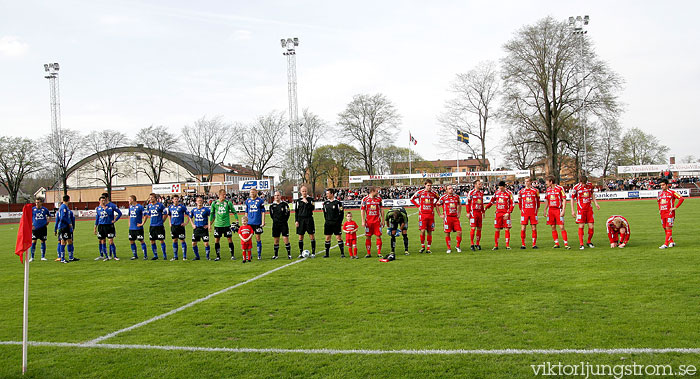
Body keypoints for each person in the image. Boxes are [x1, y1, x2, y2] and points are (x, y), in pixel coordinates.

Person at [570, 175, 600, 250]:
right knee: (581, 226)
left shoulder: (589, 185)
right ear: (579, 182)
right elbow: (572, 199)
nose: (583, 185)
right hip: (581, 210)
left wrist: (595, 203)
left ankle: (589, 241)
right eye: (582, 183)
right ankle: (581, 244)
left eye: (584, 183)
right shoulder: (576, 187)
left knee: (591, 226)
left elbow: (592, 194)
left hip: (589, 209)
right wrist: (573, 210)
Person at [410, 179, 439, 253]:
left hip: (431, 215)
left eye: (430, 185)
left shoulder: (434, 193)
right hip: (422, 215)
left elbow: (439, 199)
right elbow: (412, 199)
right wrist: (418, 206)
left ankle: (428, 248)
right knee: (422, 231)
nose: (429, 187)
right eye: (428, 185)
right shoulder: (420, 192)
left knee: (429, 231)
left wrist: (434, 205)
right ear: (425, 185)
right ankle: (423, 246)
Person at [210, 189, 239, 261]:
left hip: (226, 225)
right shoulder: (214, 203)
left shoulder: (228, 203)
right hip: (218, 225)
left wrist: (237, 220)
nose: (225, 196)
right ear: (219, 195)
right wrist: (209, 224)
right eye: (223, 194)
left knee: (229, 239)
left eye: (225, 194)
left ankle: (232, 255)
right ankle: (218, 256)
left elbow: (234, 212)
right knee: (217, 240)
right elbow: (212, 214)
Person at [485, 181, 514, 250]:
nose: (500, 189)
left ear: (504, 187)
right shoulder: (496, 193)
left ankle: (507, 245)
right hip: (498, 214)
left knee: (507, 229)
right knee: (497, 229)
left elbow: (512, 204)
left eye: (501, 188)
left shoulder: (509, 193)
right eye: (499, 188)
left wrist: (508, 213)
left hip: (505, 214)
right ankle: (496, 245)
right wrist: (486, 207)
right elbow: (492, 201)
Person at [544, 176, 570, 249]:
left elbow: (564, 199)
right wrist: (545, 209)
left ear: (551, 182)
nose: (546, 183)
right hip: (551, 210)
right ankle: (556, 243)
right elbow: (547, 200)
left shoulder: (560, 188)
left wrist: (563, 210)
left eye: (547, 181)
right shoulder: (548, 190)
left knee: (561, 226)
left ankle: (566, 244)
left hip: (558, 210)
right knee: (553, 226)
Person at [657, 178, 685, 249]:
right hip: (662, 213)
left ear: (667, 185)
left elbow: (681, 199)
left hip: (669, 213)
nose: (662, 186)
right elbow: (658, 202)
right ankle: (671, 242)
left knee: (668, 227)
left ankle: (665, 244)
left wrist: (675, 207)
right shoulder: (660, 193)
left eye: (663, 185)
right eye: (661, 185)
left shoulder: (672, 192)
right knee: (664, 228)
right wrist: (659, 209)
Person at [437, 185, 462, 254]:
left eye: (452, 188)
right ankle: (448, 248)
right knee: (447, 233)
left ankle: (458, 246)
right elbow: (437, 205)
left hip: (455, 218)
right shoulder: (443, 198)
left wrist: (459, 213)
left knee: (459, 232)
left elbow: (460, 204)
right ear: (446, 190)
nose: (451, 190)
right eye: (449, 189)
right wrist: (440, 215)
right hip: (447, 218)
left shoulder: (456, 197)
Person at [361, 186, 384, 258]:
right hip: (368, 222)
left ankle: (379, 253)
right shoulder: (365, 199)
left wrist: (383, 220)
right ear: (372, 191)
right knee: (368, 237)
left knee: (378, 236)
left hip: (377, 221)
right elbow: (362, 210)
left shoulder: (379, 199)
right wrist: (363, 221)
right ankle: (368, 253)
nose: (378, 192)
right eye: (377, 191)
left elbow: (382, 210)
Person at [95, 195, 120, 261]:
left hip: (109, 226)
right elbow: (97, 218)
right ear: (99, 201)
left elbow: (110, 213)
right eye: (102, 200)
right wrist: (95, 227)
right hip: (101, 226)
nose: (103, 202)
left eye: (104, 200)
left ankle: (114, 256)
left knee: (111, 241)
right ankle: (106, 256)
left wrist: (115, 220)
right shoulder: (98, 209)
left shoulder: (109, 207)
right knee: (102, 241)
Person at [518, 178, 541, 249]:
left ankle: (534, 244)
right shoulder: (521, 192)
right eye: (525, 181)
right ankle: (523, 244)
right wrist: (522, 210)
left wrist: (536, 210)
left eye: (528, 181)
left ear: (531, 182)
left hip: (533, 212)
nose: (526, 183)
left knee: (534, 227)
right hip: (524, 213)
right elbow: (520, 202)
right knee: (523, 228)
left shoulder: (535, 191)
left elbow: (538, 202)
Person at [144, 193, 169, 260]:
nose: (151, 199)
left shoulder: (160, 205)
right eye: (150, 198)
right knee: (152, 241)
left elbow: (166, 214)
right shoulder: (149, 206)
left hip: (159, 226)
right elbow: (148, 214)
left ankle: (164, 255)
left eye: (152, 197)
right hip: (152, 226)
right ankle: (155, 255)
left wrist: (162, 221)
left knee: (161, 240)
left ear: (155, 198)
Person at [322, 188, 345, 258]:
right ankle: (327, 254)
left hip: (336, 223)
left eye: (328, 194)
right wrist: (327, 220)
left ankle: (342, 253)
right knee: (327, 238)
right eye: (326, 194)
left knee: (338, 237)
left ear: (332, 194)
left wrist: (339, 222)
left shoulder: (338, 203)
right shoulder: (325, 203)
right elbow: (324, 213)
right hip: (328, 223)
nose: (327, 195)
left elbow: (341, 213)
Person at [295, 185, 317, 258]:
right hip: (301, 220)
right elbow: (296, 212)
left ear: (307, 191)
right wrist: (296, 221)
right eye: (303, 191)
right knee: (300, 236)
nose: (304, 192)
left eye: (305, 191)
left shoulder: (311, 200)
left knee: (311, 235)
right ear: (300, 192)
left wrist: (306, 202)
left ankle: (313, 253)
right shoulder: (298, 201)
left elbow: (312, 208)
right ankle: (301, 253)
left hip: (309, 219)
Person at [269, 191, 292, 259]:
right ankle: (276, 255)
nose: (276, 197)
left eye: (278, 195)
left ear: (280, 196)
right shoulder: (272, 206)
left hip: (284, 224)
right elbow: (271, 215)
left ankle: (289, 254)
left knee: (285, 238)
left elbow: (288, 213)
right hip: (275, 224)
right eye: (275, 195)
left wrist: (284, 220)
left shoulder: (285, 204)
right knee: (276, 240)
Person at [244, 188, 266, 260]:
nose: (252, 193)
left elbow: (263, 212)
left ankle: (259, 255)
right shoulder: (248, 201)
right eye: (251, 192)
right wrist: (245, 221)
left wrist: (263, 221)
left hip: (257, 223)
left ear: (256, 192)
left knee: (258, 238)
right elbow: (246, 212)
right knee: (248, 239)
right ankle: (249, 255)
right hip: (249, 223)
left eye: (253, 192)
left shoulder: (260, 201)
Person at [167, 194, 190, 261]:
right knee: (174, 240)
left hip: (180, 226)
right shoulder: (170, 207)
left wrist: (186, 223)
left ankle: (184, 256)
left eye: (177, 199)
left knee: (182, 240)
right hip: (173, 226)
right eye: (175, 199)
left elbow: (189, 215)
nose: (176, 200)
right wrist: (170, 222)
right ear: (172, 200)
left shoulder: (182, 207)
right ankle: (175, 256)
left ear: (178, 200)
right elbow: (169, 215)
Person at [465, 179, 486, 250]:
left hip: (479, 213)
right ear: (475, 185)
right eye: (479, 184)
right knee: (473, 228)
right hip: (473, 212)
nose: (481, 185)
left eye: (481, 184)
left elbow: (482, 203)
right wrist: (468, 212)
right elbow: (467, 203)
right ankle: (472, 244)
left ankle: (477, 243)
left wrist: (483, 212)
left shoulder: (481, 193)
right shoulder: (471, 193)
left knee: (479, 228)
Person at [54, 195, 75, 263]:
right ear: (69, 199)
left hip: (66, 228)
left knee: (70, 241)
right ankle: (62, 258)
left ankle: (71, 257)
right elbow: (62, 218)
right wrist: (69, 223)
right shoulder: (63, 207)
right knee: (63, 241)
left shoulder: (66, 207)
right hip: (64, 227)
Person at [189, 195, 211, 261]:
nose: (200, 202)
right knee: (193, 243)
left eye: (201, 201)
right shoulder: (194, 210)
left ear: (203, 201)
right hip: (196, 229)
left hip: (204, 229)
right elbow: (190, 217)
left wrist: (209, 225)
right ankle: (197, 256)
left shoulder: (206, 210)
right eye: (198, 201)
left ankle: (207, 256)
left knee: (206, 243)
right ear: (196, 202)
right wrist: (192, 224)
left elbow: (212, 217)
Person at [127, 195, 148, 260]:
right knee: (131, 241)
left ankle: (145, 256)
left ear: (132, 200)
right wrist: (129, 223)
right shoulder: (130, 207)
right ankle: (135, 255)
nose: (128, 201)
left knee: (141, 241)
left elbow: (146, 215)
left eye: (129, 199)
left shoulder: (140, 207)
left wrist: (142, 223)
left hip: (138, 228)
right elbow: (129, 215)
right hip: (131, 228)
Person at [30, 197, 51, 262]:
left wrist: (48, 222)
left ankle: (43, 256)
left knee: (43, 241)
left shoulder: (45, 209)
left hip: (43, 228)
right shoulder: (32, 209)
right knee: (33, 241)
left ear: (41, 203)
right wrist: (31, 224)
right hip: (35, 228)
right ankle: (32, 257)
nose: (37, 203)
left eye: (38, 202)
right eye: (36, 202)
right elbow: (29, 217)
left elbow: (49, 216)